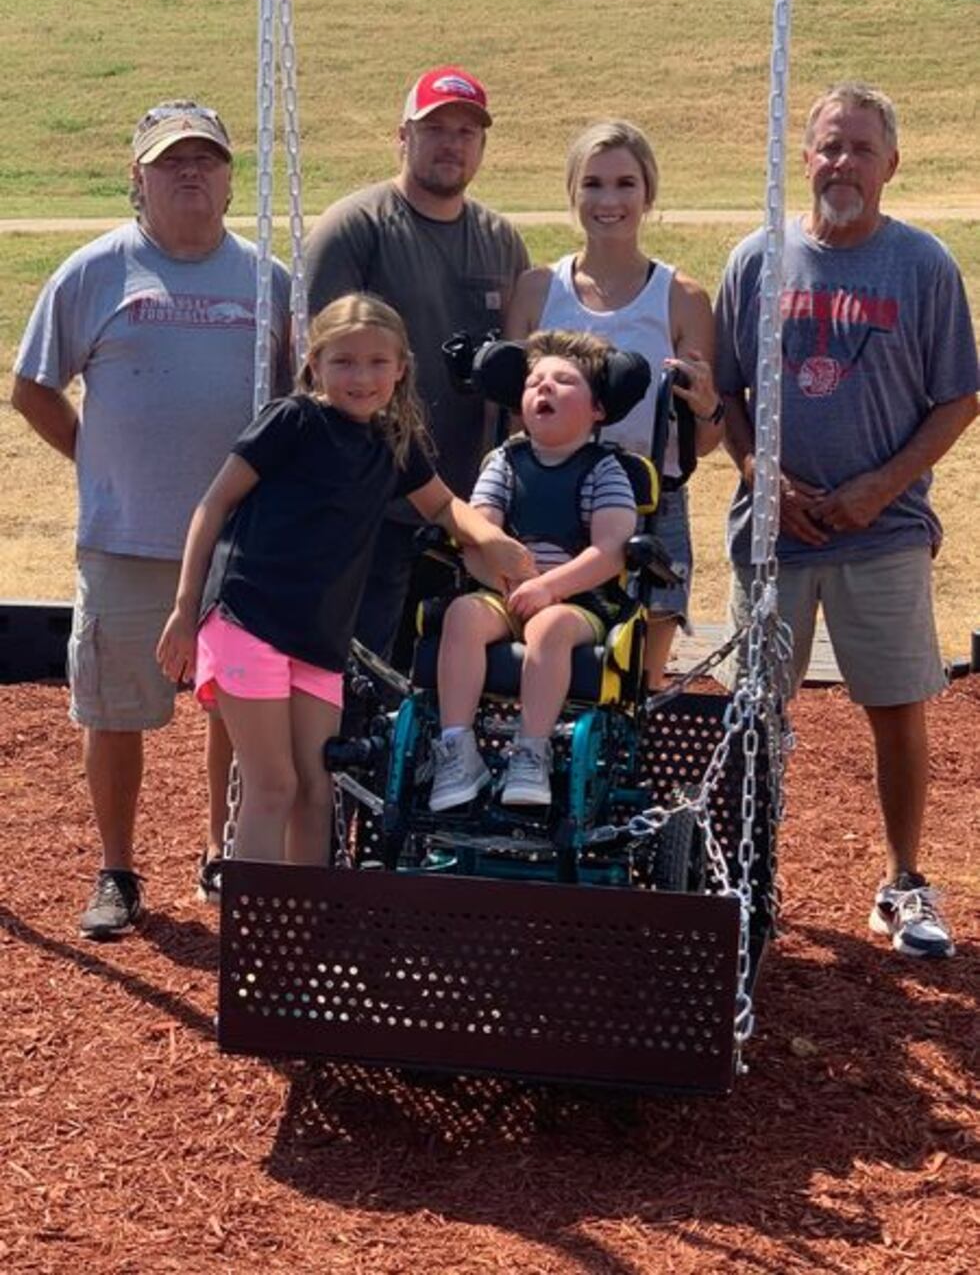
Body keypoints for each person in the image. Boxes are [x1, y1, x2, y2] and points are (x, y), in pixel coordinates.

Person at [12, 99, 291, 939]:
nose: (191, 172)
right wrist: (95, 462)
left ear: (232, 177)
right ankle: (118, 870)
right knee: (112, 709)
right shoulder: (94, 271)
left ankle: (220, 850)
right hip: (126, 540)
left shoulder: (272, 280)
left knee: (236, 710)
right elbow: (33, 388)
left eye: (206, 158)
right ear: (138, 178)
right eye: (172, 161)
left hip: (243, 545)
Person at [715, 81, 978, 959]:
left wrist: (879, 485)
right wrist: (763, 474)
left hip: (886, 529)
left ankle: (904, 881)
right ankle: (744, 876)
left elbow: (958, 398)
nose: (843, 163)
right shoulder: (758, 258)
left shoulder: (923, 266)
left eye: (862, 149)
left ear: (891, 165)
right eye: (829, 145)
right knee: (758, 711)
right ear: (806, 155)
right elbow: (724, 393)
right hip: (774, 532)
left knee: (897, 705)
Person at [157, 295, 533, 863]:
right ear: (315, 364)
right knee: (272, 785)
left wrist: (492, 539)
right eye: (344, 362)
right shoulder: (294, 420)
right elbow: (212, 507)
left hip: (319, 639)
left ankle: (305, 929)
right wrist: (186, 611)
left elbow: (441, 506)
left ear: (402, 367)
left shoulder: (392, 441)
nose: (362, 377)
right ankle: (256, 932)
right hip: (247, 619)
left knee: (316, 786)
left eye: (378, 363)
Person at [305, 65, 530, 667]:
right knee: (359, 671)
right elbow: (312, 370)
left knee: (448, 681)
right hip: (370, 506)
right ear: (402, 136)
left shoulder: (501, 240)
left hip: (468, 507)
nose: (451, 143)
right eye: (435, 129)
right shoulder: (355, 228)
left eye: (466, 131)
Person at [505, 120, 724, 689]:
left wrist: (705, 406)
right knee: (546, 665)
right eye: (593, 184)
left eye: (626, 184)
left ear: (648, 194)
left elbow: (702, 439)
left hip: (652, 502)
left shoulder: (681, 297)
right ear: (572, 193)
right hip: (550, 500)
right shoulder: (535, 291)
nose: (609, 201)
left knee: (636, 682)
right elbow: (512, 419)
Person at [430, 329, 644, 811]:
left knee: (547, 625)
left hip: (580, 603)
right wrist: (511, 583)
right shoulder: (504, 463)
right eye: (534, 381)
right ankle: (456, 749)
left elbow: (610, 552)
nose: (543, 388)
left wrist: (547, 587)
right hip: (504, 591)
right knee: (462, 615)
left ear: (598, 410)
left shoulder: (605, 470)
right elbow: (479, 535)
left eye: (563, 381)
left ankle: (532, 750)